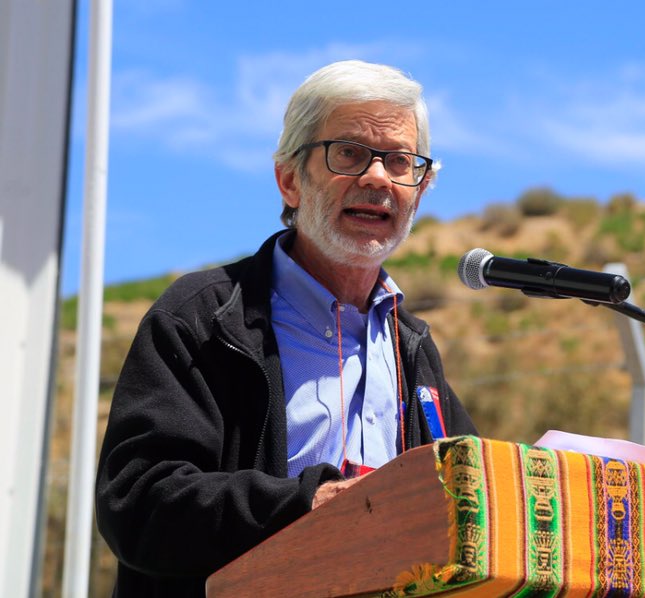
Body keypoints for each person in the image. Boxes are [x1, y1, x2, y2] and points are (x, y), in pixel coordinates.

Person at [95, 60, 477, 596]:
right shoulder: (204, 319)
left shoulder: (411, 347)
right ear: (290, 179)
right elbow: (138, 504)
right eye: (348, 153)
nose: (377, 178)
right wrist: (312, 505)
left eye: (399, 161)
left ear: (421, 188)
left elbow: (466, 510)